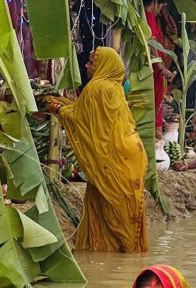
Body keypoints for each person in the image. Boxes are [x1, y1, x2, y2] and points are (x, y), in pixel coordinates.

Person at [48, 47, 148, 252]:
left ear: (103, 65)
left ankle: (121, 255)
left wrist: (57, 108)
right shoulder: (115, 87)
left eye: (91, 62)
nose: (87, 65)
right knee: (119, 206)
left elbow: (81, 121)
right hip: (132, 155)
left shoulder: (97, 88)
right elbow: (88, 115)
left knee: (115, 209)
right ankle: (114, 255)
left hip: (114, 158)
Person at [144, 0, 175, 140]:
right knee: (153, 108)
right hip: (153, 72)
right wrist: (161, 67)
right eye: (161, 6)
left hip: (156, 73)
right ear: (156, 2)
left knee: (156, 107)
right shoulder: (148, 16)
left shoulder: (152, 17)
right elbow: (151, 40)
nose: (160, 9)